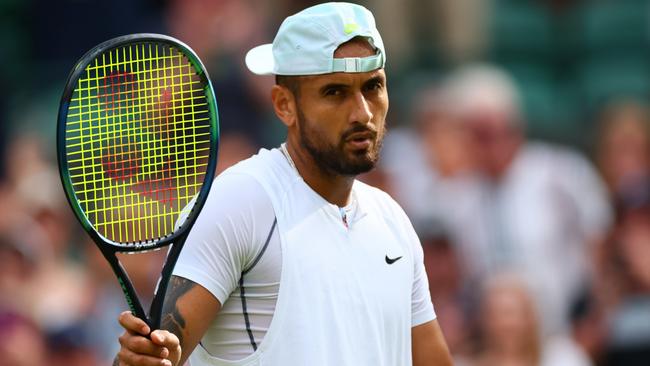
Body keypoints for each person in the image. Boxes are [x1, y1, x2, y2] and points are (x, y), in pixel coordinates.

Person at [114, 3, 452, 366]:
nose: (363, 113)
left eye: (373, 87)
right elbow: (151, 358)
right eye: (334, 92)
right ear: (284, 105)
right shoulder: (238, 201)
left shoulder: (393, 221)